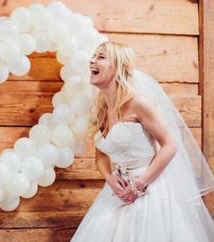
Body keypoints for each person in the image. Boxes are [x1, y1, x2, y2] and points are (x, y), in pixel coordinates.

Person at [71, 41, 214, 241]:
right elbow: (101, 156)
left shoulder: (139, 104)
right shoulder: (100, 109)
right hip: (118, 191)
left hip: (150, 189)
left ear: (118, 66)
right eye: (93, 56)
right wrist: (110, 179)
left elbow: (169, 146)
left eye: (101, 57)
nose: (91, 60)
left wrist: (140, 184)